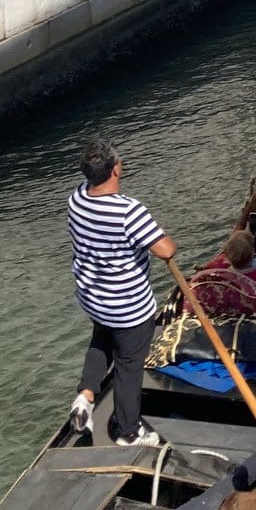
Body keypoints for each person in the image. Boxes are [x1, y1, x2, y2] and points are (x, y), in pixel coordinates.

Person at [67, 139, 176, 447]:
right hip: (129, 309)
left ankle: (85, 397)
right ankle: (127, 431)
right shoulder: (129, 212)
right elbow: (166, 250)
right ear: (116, 169)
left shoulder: (76, 199)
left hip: (94, 298)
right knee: (129, 366)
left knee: (102, 339)